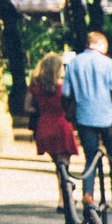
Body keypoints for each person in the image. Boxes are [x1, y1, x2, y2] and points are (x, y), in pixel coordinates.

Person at [64, 31, 112, 215]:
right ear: (99, 44)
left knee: (90, 161)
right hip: (107, 117)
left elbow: (67, 92)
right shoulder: (108, 64)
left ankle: (88, 199)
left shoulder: (73, 63)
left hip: (84, 117)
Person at [28, 52, 80, 212]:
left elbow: (27, 107)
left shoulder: (36, 87)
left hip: (44, 126)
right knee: (64, 166)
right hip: (61, 125)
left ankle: (64, 198)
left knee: (58, 166)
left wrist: (41, 109)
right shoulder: (62, 86)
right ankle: (64, 200)